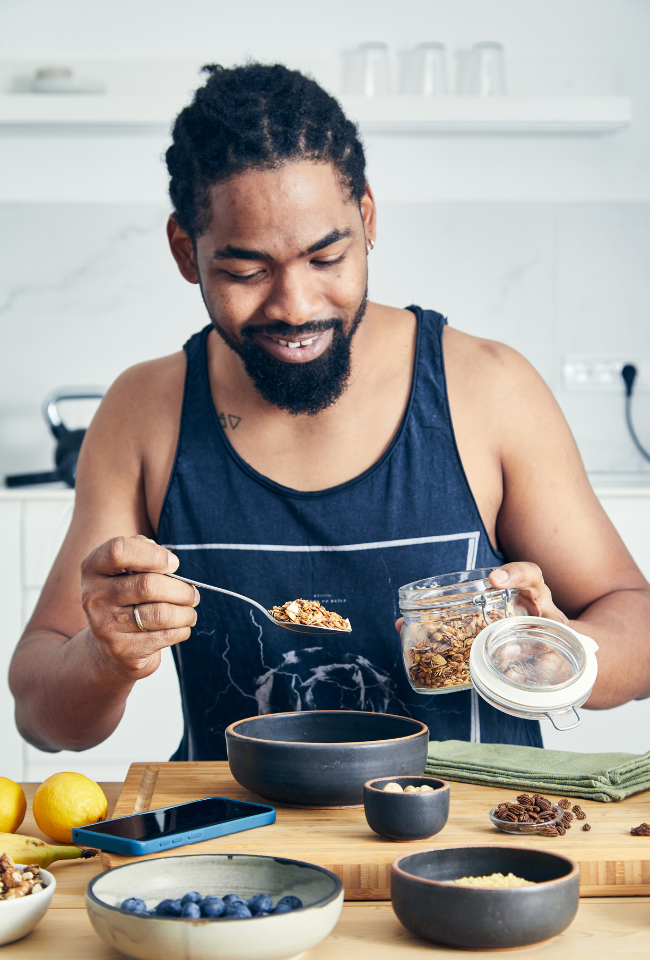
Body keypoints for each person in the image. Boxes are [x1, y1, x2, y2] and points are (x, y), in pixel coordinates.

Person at [9, 63, 650, 761]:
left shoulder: (487, 390)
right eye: (247, 271)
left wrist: (559, 651)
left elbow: (637, 623)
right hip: (236, 860)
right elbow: (44, 717)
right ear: (185, 252)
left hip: (467, 854)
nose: (296, 305)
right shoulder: (145, 412)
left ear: (367, 219)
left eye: (326, 257)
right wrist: (105, 659)